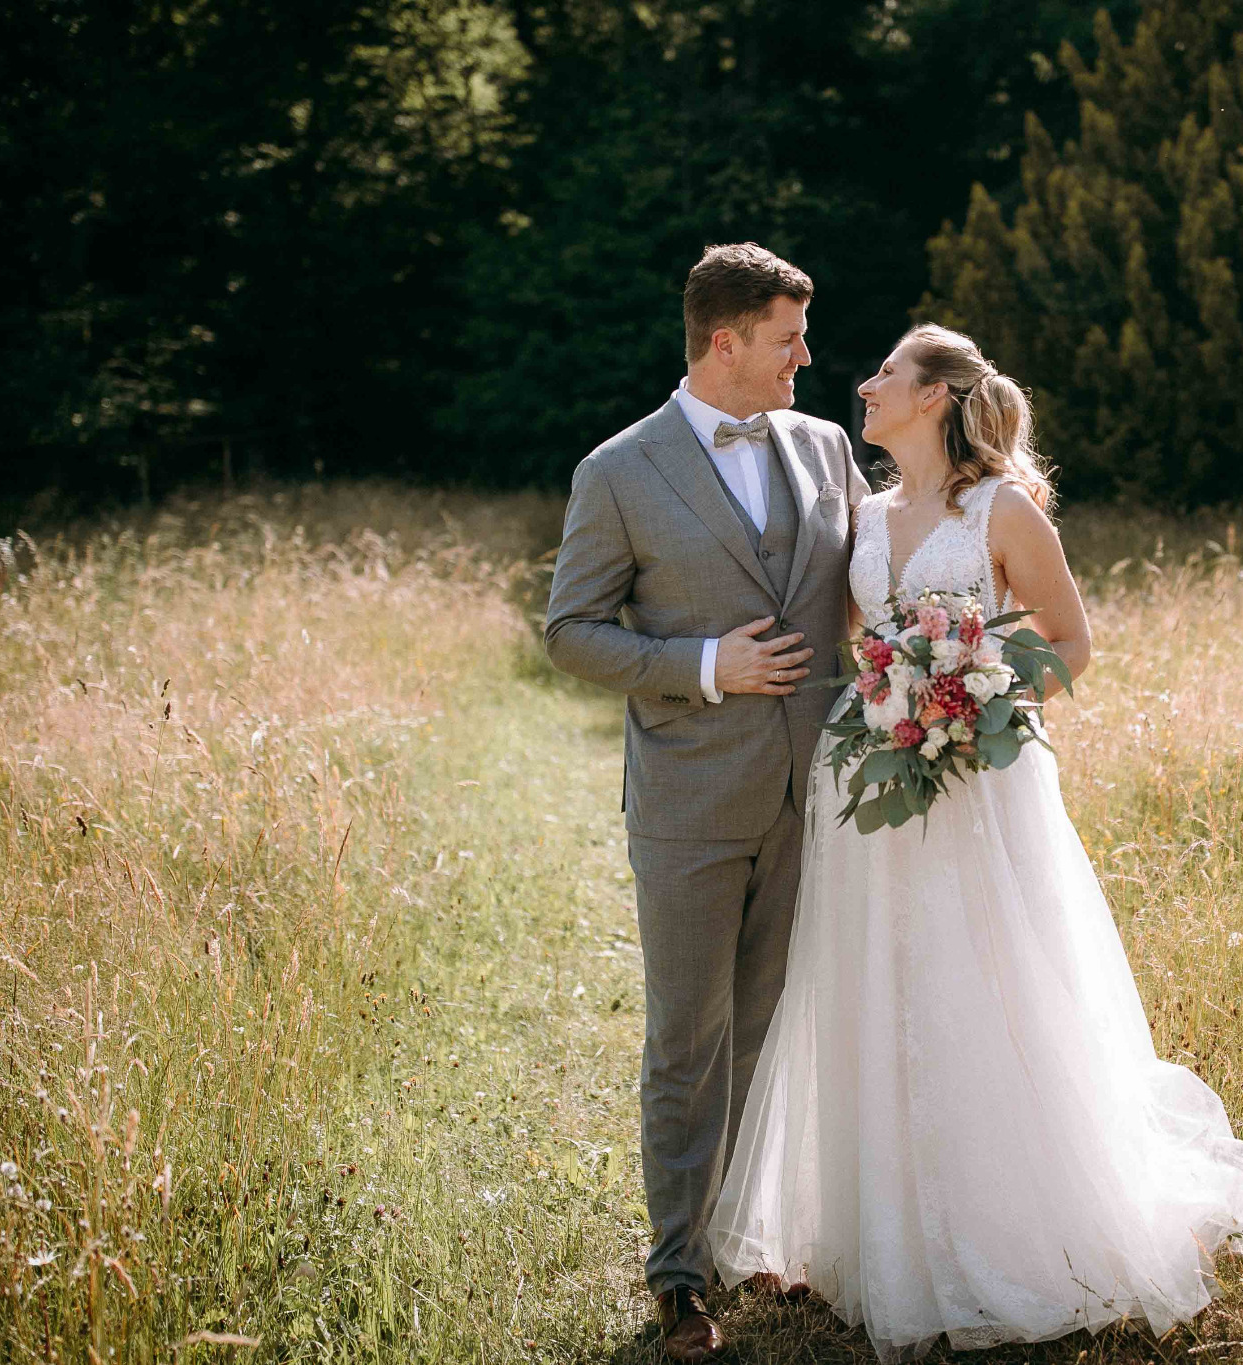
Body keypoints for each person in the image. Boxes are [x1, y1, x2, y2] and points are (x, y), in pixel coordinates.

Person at [706, 323, 1243, 1361]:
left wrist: (976, 708)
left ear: (931, 397)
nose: (865, 385)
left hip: (982, 783)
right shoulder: (863, 517)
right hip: (872, 781)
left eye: (885, 372)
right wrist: (890, 702)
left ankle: (1017, 1219)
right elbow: (854, 646)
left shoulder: (1001, 510)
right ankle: (879, 1226)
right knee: (876, 984)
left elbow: (1068, 641)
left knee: (992, 980)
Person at [543, 243, 868, 1362]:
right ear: (723, 342)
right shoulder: (618, 472)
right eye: (788, 338)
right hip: (686, 797)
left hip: (812, 791)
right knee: (690, 1039)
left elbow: (873, 588)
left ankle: (751, 1230)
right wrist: (700, 664)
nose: (806, 359)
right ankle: (680, 1276)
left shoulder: (826, 448)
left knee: (774, 1026)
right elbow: (570, 632)